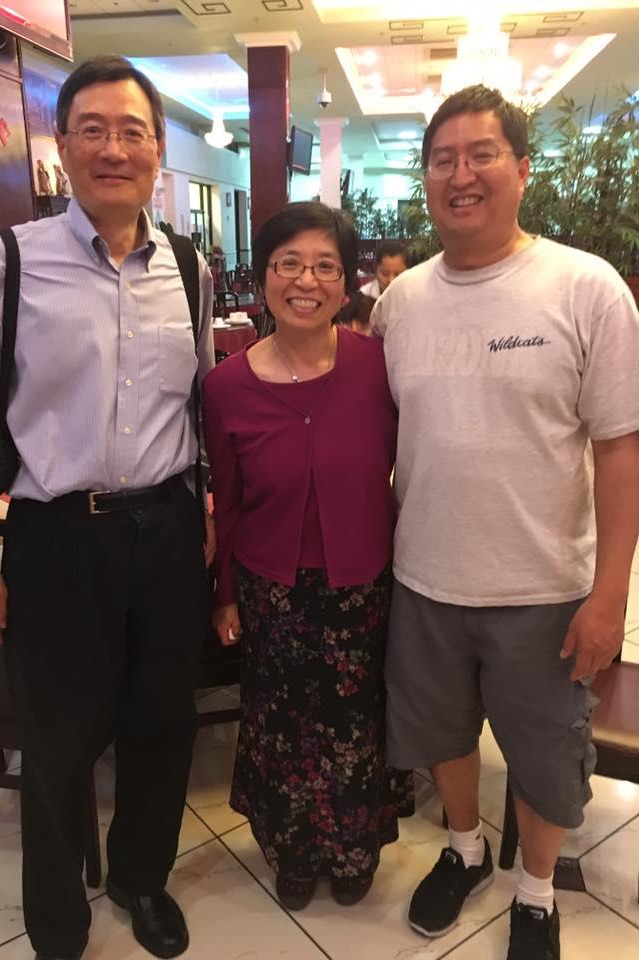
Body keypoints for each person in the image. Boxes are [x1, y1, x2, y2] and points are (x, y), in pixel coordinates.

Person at [0, 56, 215, 960]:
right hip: (57, 536)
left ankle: (141, 878)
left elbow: (199, 402)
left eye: (132, 131)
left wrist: (204, 509)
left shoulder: (190, 266)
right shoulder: (4, 261)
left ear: (159, 152)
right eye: (92, 128)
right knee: (55, 737)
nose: (113, 148)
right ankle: (56, 913)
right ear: (63, 147)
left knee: (161, 721)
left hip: (166, 529)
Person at [372, 84, 639, 960]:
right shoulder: (399, 305)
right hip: (425, 578)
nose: (462, 174)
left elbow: (618, 452)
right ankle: (464, 851)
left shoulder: (585, 289)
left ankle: (534, 897)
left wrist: (611, 598)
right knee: (442, 736)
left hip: (545, 589)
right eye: (443, 158)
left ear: (523, 169)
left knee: (544, 755)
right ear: (427, 179)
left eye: (482, 154)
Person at [203, 201, 400, 911]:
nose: (306, 280)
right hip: (269, 586)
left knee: (354, 721)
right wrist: (225, 594)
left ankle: (352, 850)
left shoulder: (379, 368)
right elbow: (225, 499)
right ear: (263, 279)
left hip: (362, 582)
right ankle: (290, 851)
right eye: (289, 264)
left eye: (325, 266)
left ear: (347, 285)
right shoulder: (226, 386)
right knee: (282, 724)